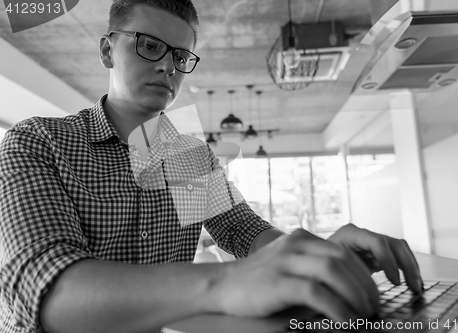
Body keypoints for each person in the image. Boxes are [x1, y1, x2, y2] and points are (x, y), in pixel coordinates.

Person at [0, 0, 423, 332]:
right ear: (108, 51)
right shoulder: (39, 141)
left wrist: (315, 254)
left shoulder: (187, 156)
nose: (168, 66)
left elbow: (243, 231)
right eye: (149, 45)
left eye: (181, 55)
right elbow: (46, 292)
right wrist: (227, 284)